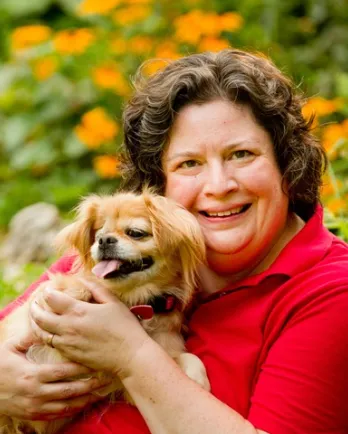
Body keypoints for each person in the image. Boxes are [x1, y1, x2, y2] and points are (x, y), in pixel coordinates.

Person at [1, 49, 348, 434]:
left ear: (287, 163)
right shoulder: (123, 262)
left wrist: (131, 356)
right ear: (160, 182)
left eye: (242, 154)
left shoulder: (331, 293)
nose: (219, 186)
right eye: (189, 163)